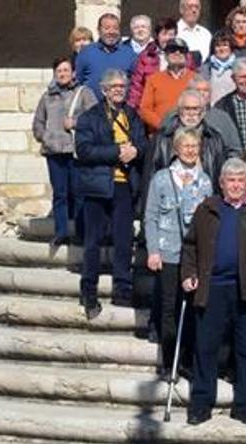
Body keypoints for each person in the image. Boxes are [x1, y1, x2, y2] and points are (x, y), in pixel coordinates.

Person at [180, 157, 246, 425]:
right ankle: (201, 404)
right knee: (206, 348)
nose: (235, 185)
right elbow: (190, 246)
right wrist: (189, 274)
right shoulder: (207, 210)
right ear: (222, 183)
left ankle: (245, 406)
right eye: (230, 180)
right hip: (212, 290)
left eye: (240, 180)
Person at [74, 69, 147, 319]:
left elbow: (143, 142)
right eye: (114, 86)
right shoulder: (89, 117)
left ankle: (122, 289)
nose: (119, 90)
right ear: (104, 89)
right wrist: (117, 152)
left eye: (122, 86)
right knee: (93, 241)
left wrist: (135, 151)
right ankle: (89, 291)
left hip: (124, 185)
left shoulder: (131, 114)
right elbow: (84, 150)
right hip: (97, 186)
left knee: (124, 240)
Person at [144, 127, 213, 373]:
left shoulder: (204, 182)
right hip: (167, 252)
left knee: (194, 308)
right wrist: (153, 251)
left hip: (193, 256)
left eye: (195, 146)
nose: (191, 151)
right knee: (169, 308)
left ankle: (186, 360)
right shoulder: (162, 178)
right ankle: (169, 360)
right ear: (176, 149)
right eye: (186, 146)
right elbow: (150, 216)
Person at [32, 56, 98, 246]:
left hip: (75, 151)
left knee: (78, 193)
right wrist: (45, 137)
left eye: (66, 70)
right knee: (60, 194)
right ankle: (61, 232)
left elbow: (96, 119)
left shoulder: (84, 93)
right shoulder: (47, 96)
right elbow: (38, 122)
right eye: (59, 71)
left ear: (73, 73)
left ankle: (81, 232)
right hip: (53, 152)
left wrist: (76, 123)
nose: (62, 74)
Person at [142, 90, 228, 204]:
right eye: (187, 109)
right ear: (179, 111)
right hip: (169, 206)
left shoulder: (214, 139)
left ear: (203, 112)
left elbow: (221, 178)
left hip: (205, 206)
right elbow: (149, 177)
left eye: (195, 109)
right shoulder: (162, 139)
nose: (191, 113)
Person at [129, 18, 192, 109]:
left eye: (171, 34)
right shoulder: (146, 56)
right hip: (153, 107)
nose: (167, 38)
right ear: (157, 36)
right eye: (164, 34)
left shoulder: (185, 56)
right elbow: (137, 87)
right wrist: (133, 110)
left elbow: (193, 81)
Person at [139, 38, 197, 132]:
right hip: (161, 134)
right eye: (172, 50)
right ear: (165, 56)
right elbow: (145, 109)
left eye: (181, 51)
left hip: (190, 134)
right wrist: (163, 125)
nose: (177, 53)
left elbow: (203, 107)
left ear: (186, 56)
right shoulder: (153, 80)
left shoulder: (196, 79)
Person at [75, 13, 138, 100]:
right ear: (99, 30)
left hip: (121, 109)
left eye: (115, 28)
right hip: (91, 109)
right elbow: (78, 82)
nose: (111, 32)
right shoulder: (86, 52)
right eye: (107, 28)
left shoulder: (129, 54)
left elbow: (136, 85)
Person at [199, 31, 237, 106]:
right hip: (213, 110)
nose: (221, 49)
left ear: (231, 47)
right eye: (218, 46)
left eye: (225, 45)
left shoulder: (238, 67)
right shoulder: (206, 69)